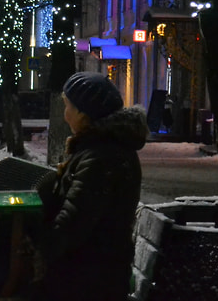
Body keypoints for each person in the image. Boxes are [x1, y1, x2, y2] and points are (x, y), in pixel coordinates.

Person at [28, 71, 148, 301]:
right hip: (92, 272)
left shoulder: (100, 157)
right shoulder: (101, 149)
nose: (65, 115)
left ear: (84, 113)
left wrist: (39, 249)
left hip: (88, 278)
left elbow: (74, 220)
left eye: (68, 107)